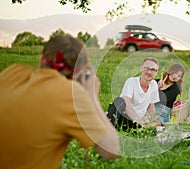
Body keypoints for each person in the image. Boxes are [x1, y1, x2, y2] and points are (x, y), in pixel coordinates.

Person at [0, 34, 120, 169]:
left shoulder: (12, 73)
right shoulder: (72, 95)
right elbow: (112, 150)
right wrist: (91, 96)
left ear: (42, 60)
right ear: (80, 74)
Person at [107, 57, 160, 130]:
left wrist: (148, 122)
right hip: (124, 117)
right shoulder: (131, 81)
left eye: (153, 70)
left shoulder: (154, 84)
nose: (149, 72)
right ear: (141, 69)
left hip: (137, 122)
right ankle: (110, 126)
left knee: (153, 132)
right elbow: (127, 104)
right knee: (119, 100)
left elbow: (151, 107)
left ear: (156, 72)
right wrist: (138, 120)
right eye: (147, 68)